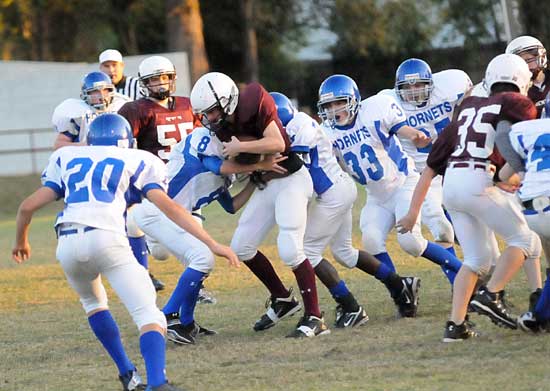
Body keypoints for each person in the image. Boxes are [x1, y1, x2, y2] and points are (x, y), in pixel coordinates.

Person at [12, 113, 238, 391]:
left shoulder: (67, 156)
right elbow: (171, 208)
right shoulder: (138, 159)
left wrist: (21, 241)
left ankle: (128, 375)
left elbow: (26, 207)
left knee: (93, 304)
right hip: (106, 237)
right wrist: (213, 244)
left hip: (67, 241)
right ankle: (157, 383)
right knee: (150, 316)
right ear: (127, 141)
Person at [396, 53, 541, 341]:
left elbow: (429, 169)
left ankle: (456, 326)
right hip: (480, 179)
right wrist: (510, 176)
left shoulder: (468, 108)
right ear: (521, 80)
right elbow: (506, 140)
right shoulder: (517, 103)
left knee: (476, 260)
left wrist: (413, 213)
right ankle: (491, 294)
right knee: (527, 240)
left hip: (452, 185)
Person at [191, 72, 328, 338]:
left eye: (211, 112)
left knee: (290, 248)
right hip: (265, 183)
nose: (208, 119)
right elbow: (228, 163)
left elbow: (277, 142)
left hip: (291, 179)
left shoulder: (252, 100)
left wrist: (242, 146)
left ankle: (315, 317)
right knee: (242, 246)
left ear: (227, 101)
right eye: (204, 114)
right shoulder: (220, 129)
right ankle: (282, 298)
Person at [271, 91, 420, 323]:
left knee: (306, 252)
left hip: (333, 193)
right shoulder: (297, 125)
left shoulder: (299, 126)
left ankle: (350, 306)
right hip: (336, 190)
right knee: (344, 253)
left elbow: (293, 163)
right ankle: (399, 283)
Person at [132, 126, 288, 344]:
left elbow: (231, 206)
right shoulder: (206, 140)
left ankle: (185, 322)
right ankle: (169, 315)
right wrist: (259, 165)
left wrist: (255, 180)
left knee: (199, 262)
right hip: (155, 211)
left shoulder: (228, 172)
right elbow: (216, 166)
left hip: (171, 214)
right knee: (203, 258)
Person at [317, 74, 463, 295]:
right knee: (372, 240)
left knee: (411, 242)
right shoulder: (326, 132)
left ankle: (464, 274)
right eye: (328, 105)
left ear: (354, 100)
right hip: (376, 197)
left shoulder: (375, 109)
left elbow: (402, 129)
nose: (334, 109)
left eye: (339, 102)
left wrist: (416, 136)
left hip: (404, 184)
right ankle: (401, 292)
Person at [378, 59, 472, 281]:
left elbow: (473, 96)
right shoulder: (387, 102)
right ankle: (459, 281)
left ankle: (479, 265)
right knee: (441, 228)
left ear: (430, 83)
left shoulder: (451, 83)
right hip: (421, 172)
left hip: (454, 162)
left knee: (471, 220)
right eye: (407, 87)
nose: (413, 91)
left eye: (418, 85)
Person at [119, 55, 201, 294]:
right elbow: (124, 147)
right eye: (154, 80)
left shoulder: (189, 105)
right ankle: (145, 251)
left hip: (186, 181)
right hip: (155, 185)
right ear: (145, 83)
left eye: (165, 78)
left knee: (195, 242)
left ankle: (197, 285)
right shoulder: (135, 110)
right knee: (162, 252)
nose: (161, 84)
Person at [502, 95, 550, 332]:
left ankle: (538, 315)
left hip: (530, 210)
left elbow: (504, 175)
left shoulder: (527, 131)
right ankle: (539, 313)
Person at [52, 71, 130, 149]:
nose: (102, 95)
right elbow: (59, 144)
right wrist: (84, 146)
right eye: (95, 91)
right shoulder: (79, 113)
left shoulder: (121, 107)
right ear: (85, 95)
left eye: (105, 90)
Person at [506, 35, 549, 116]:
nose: (525, 66)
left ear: (542, 57)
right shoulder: (516, 91)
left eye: (528, 60)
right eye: (520, 63)